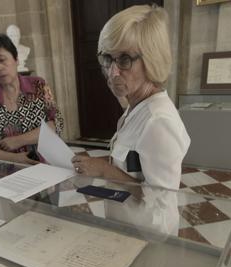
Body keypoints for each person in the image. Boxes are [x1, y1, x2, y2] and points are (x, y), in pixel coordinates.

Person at [71, 5, 190, 190]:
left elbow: (161, 198)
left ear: (152, 59)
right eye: (108, 58)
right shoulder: (136, 105)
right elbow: (132, 164)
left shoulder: (158, 121)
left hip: (146, 220)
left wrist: (104, 170)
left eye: (124, 59)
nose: (113, 72)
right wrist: (97, 163)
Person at [0, 34, 64, 164]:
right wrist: (14, 159)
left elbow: (56, 122)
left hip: (45, 164)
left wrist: (18, 140)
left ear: (16, 59)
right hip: (7, 170)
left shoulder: (39, 86)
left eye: (2, 60)